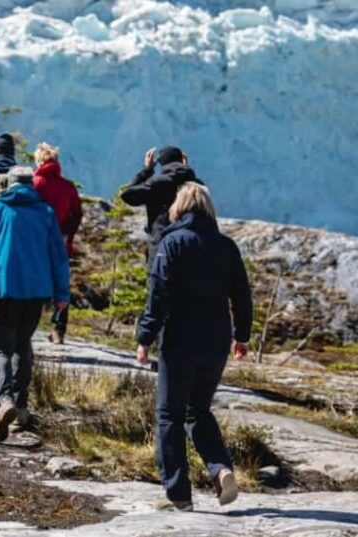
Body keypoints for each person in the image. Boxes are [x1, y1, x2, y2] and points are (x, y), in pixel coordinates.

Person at [135, 183, 252, 511]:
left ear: (180, 207)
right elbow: (241, 295)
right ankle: (220, 469)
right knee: (198, 410)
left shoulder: (172, 243)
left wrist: (145, 337)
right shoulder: (226, 246)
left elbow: (158, 294)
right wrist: (242, 336)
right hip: (216, 341)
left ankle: (179, 494)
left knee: (169, 415)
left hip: (179, 339)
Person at [0, 167, 70, 443]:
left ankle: (4, 401)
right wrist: (61, 293)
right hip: (36, 292)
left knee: (0, 348)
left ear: (10, 185)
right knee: (23, 346)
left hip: (1, 289)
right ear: (31, 185)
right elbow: (58, 256)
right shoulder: (45, 213)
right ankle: (21, 407)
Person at [32, 142, 83, 344]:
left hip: (35, 242)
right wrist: (66, 234)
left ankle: (28, 323)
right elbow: (77, 214)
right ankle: (58, 330)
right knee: (61, 282)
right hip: (60, 242)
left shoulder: (34, 183)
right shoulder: (68, 186)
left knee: (33, 279)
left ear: (39, 161)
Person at [120, 145, 203, 257]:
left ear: (162, 163)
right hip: (193, 248)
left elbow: (127, 195)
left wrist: (147, 170)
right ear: (182, 160)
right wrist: (186, 170)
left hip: (161, 247)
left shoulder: (158, 184)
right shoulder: (197, 186)